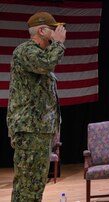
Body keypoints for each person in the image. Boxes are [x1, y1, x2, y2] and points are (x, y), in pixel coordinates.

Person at [7, 12, 66, 202]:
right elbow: (46, 63)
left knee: (35, 182)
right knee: (27, 184)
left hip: (39, 129)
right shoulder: (25, 51)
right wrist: (58, 43)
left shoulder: (40, 53)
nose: (57, 31)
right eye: (52, 28)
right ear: (41, 31)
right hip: (29, 129)